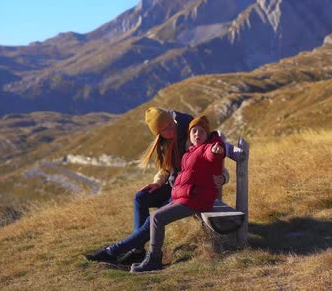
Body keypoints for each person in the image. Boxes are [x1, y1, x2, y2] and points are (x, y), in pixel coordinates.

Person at [85, 108, 228, 265]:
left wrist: (223, 177)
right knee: (141, 197)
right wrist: (158, 182)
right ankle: (137, 251)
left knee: (155, 218)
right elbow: (165, 168)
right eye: (164, 129)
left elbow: (211, 156)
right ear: (158, 133)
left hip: (189, 191)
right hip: (175, 186)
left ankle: (115, 251)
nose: (169, 129)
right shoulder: (164, 143)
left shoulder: (191, 131)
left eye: (170, 124)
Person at [130, 115, 225, 272]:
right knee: (155, 215)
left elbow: (213, 154)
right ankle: (147, 255)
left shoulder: (209, 147)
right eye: (194, 131)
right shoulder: (190, 152)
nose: (197, 134)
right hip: (187, 196)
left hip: (197, 199)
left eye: (201, 131)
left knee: (157, 217)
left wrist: (217, 151)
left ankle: (153, 258)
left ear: (207, 134)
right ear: (189, 134)